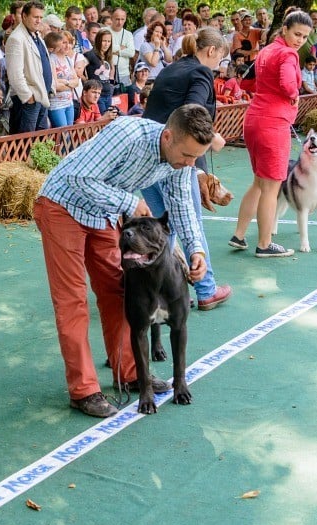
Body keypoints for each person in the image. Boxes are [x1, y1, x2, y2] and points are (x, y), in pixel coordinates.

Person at [33, 104, 212, 419]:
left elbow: (182, 203)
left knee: (120, 292)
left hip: (101, 212)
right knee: (72, 301)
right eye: (187, 155)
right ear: (168, 136)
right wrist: (130, 202)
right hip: (61, 205)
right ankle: (84, 390)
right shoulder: (127, 134)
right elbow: (77, 178)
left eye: (196, 157)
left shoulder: (180, 160)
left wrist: (196, 249)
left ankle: (131, 373)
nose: (191, 163)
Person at [141, 27, 232, 311]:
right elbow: (193, 111)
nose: (219, 66)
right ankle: (206, 289)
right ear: (212, 51)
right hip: (175, 155)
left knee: (161, 228)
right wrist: (212, 138)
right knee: (190, 221)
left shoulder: (173, 68)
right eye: (220, 58)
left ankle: (159, 292)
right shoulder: (201, 72)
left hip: (150, 153)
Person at [231, 11, 313, 259]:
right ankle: (264, 243)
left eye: (305, 37)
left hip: (254, 119)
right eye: (297, 34)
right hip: (273, 124)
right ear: (285, 30)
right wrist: (294, 94)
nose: (300, 40)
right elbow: (289, 85)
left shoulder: (266, 50)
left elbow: (245, 82)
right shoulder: (288, 54)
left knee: (259, 182)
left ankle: (239, 234)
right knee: (271, 186)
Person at [5, 1, 52, 134]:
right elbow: (14, 74)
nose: (39, 21)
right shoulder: (16, 38)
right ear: (24, 16)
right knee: (24, 143)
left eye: (41, 17)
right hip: (27, 100)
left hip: (41, 96)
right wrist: (28, 97)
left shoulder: (36, 35)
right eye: (35, 17)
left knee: (38, 141)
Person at [46, 30, 80, 126]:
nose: (67, 46)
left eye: (69, 43)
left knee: (69, 133)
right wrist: (70, 84)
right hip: (56, 104)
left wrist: (65, 82)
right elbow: (55, 86)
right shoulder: (52, 59)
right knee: (63, 133)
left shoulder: (68, 59)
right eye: (64, 42)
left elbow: (76, 82)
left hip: (69, 102)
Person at [85, 29, 115, 115]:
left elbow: (111, 72)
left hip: (108, 92)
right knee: (102, 118)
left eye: (109, 41)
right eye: (104, 41)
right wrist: (87, 82)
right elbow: (79, 70)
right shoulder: (91, 55)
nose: (106, 44)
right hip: (98, 95)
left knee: (110, 118)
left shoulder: (108, 55)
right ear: (98, 41)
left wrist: (111, 85)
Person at [107, 7, 136, 86]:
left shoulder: (128, 34)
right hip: (107, 73)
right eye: (117, 19)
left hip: (124, 74)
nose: (120, 22)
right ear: (111, 18)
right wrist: (120, 47)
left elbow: (131, 52)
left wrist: (117, 52)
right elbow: (104, 48)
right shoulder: (104, 31)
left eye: (122, 19)